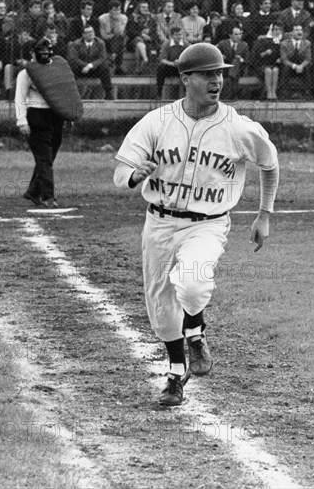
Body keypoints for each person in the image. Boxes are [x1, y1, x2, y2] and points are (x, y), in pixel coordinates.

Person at [113, 42, 279, 406]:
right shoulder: (157, 122)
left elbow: (270, 163)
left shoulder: (237, 127)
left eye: (220, 73)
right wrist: (132, 175)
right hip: (158, 223)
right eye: (207, 74)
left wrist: (264, 214)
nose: (216, 80)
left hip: (208, 224)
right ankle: (176, 372)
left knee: (192, 281)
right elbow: (121, 170)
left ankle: (197, 333)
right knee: (161, 307)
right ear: (185, 79)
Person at [15, 37, 82, 207]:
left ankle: (32, 192)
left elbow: (66, 91)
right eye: (41, 52)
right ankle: (47, 196)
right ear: (33, 53)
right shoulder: (26, 73)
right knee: (44, 159)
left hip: (56, 116)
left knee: (48, 158)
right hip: (37, 116)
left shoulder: (58, 68)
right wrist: (21, 121)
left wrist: (69, 113)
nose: (45, 55)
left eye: (48, 51)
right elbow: (19, 98)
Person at [67, 24, 114, 99]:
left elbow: (102, 58)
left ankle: (108, 94)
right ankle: (70, 95)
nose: (91, 34)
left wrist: (90, 66)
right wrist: (85, 65)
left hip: (95, 69)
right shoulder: (76, 44)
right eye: (88, 32)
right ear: (83, 35)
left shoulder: (100, 43)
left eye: (92, 31)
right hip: (81, 69)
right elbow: (74, 58)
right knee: (71, 68)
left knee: (105, 68)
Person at [250, 22, 283, 99]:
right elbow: (257, 56)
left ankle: (273, 92)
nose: (277, 31)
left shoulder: (282, 42)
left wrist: (280, 58)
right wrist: (265, 53)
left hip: (275, 64)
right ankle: (269, 92)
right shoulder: (264, 40)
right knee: (268, 70)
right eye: (275, 29)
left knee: (275, 70)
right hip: (263, 64)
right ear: (272, 30)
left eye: (279, 30)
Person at [155, 26, 188, 99]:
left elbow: (189, 57)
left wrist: (180, 62)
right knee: (161, 69)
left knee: (189, 71)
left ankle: (188, 94)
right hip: (170, 67)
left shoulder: (186, 44)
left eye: (180, 34)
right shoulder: (166, 44)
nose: (179, 36)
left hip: (181, 68)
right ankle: (159, 92)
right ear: (172, 36)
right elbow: (162, 59)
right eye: (176, 35)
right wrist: (173, 63)